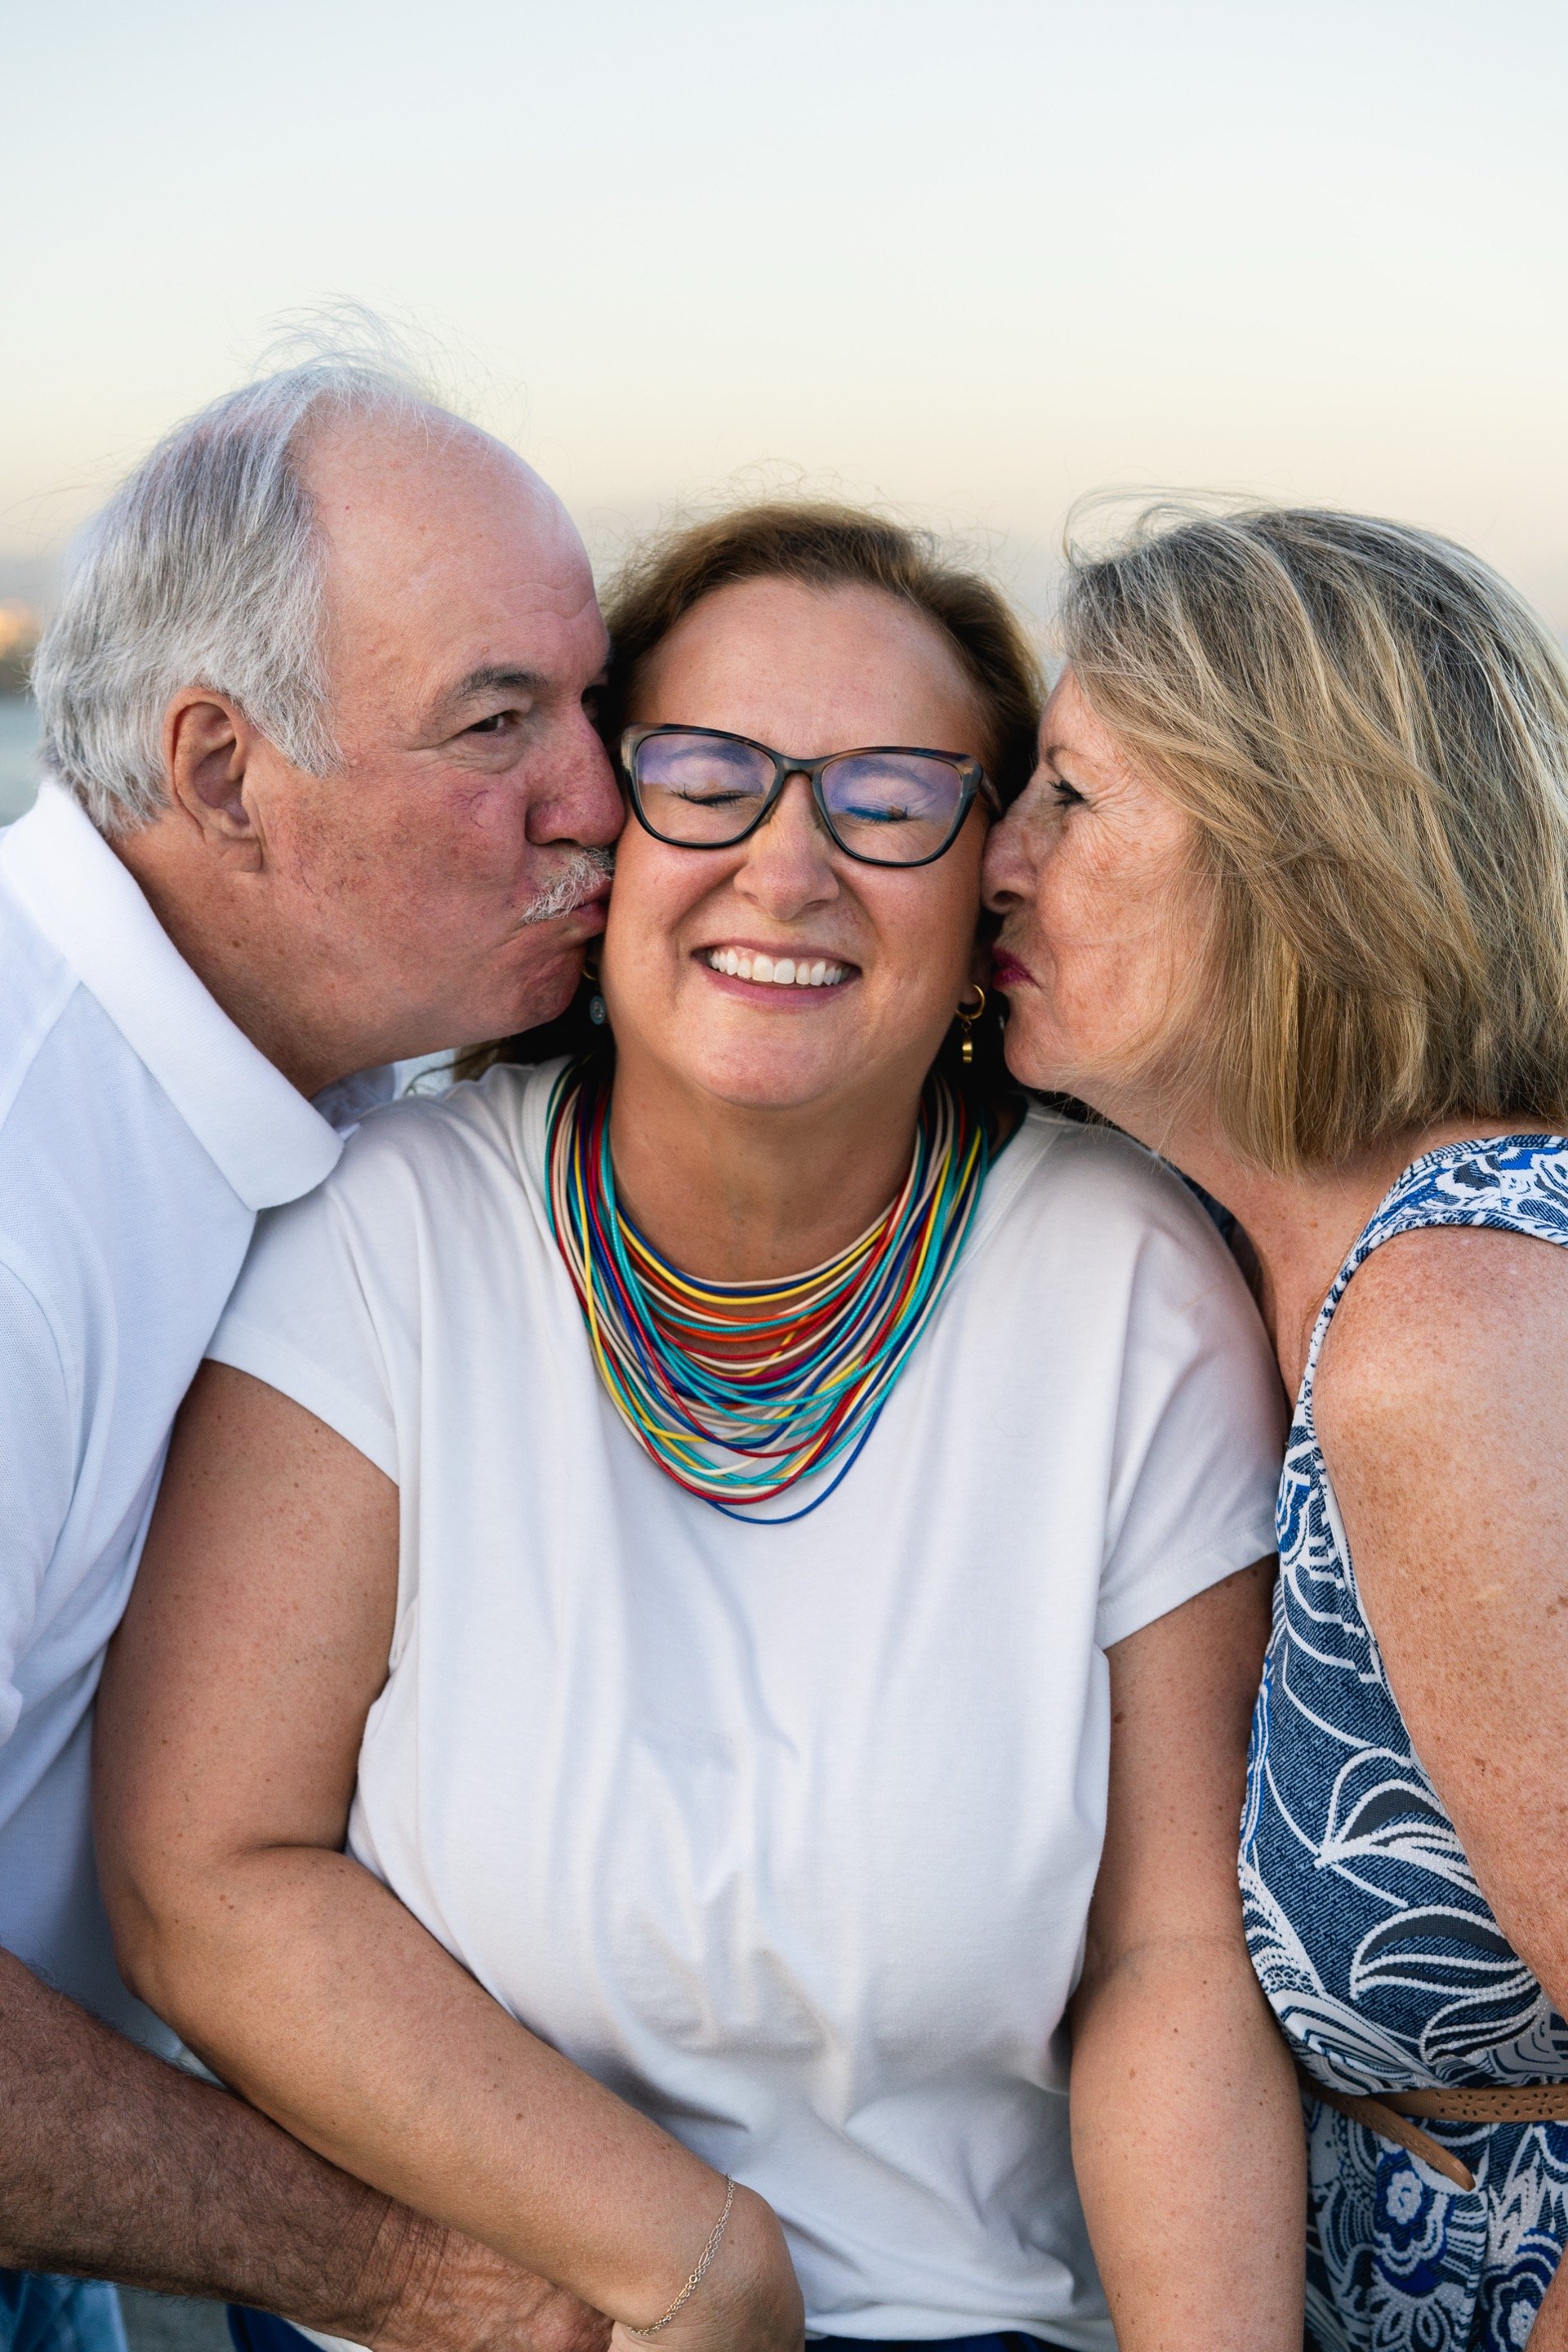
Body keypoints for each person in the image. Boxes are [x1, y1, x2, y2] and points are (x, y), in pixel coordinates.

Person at [99, 501, 1301, 2352]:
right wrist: (686, 2255)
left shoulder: (1126, 1285)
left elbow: (1171, 1965)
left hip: (974, 2321)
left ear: (990, 873)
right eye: (709, 774)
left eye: (891, 796)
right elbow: (213, 1877)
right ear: (603, 824)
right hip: (487, 2309)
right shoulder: (390, 1230)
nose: (789, 865)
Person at [0, 336, 621, 2350]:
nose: (599, 801)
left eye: (593, 704)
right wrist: (422, 2283)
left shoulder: (323, 1056)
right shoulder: (24, 1179)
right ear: (219, 773)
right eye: (494, 723)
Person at [982, 503, 1568, 2352]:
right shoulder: (1289, 1279)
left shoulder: (1449, 1333)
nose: (996, 862)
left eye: (1070, 800)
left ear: (1303, 861)